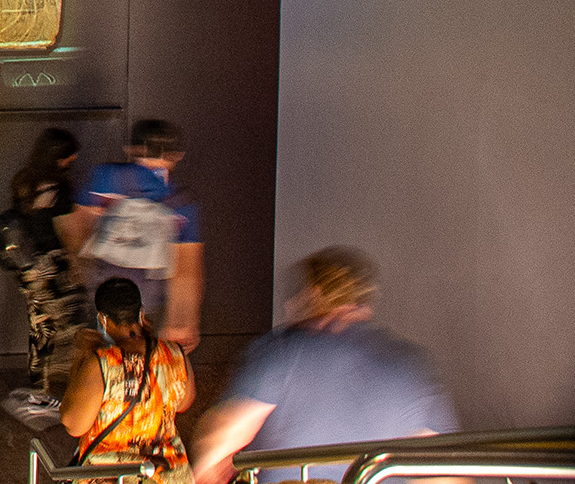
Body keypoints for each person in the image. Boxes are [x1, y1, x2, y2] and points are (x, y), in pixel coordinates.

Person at [191, 247, 459, 484]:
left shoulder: (283, 352)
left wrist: (206, 468)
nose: (289, 304)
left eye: (297, 294)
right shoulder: (410, 364)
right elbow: (443, 471)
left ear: (314, 294)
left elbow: (221, 438)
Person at [73, 118, 204, 349]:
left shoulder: (103, 177)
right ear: (176, 155)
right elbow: (186, 268)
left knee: (99, 360)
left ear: (132, 149)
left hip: (102, 292)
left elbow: (77, 232)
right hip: (150, 300)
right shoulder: (180, 202)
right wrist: (184, 321)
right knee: (146, 360)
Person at [62, 276, 197, 484]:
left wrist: (80, 357)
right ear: (141, 314)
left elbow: (74, 424)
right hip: (170, 475)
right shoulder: (175, 354)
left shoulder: (101, 364)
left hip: (113, 476)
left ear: (103, 320)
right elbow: (184, 402)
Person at [0, 127, 87, 427]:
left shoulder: (24, 180)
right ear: (62, 156)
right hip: (54, 264)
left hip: (28, 266)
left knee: (40, 326)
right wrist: (77, 266)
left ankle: (40, 387)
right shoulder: (61, 188)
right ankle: (74, 388)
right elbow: (67, 232)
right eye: (71, 154)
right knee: (72, 325)